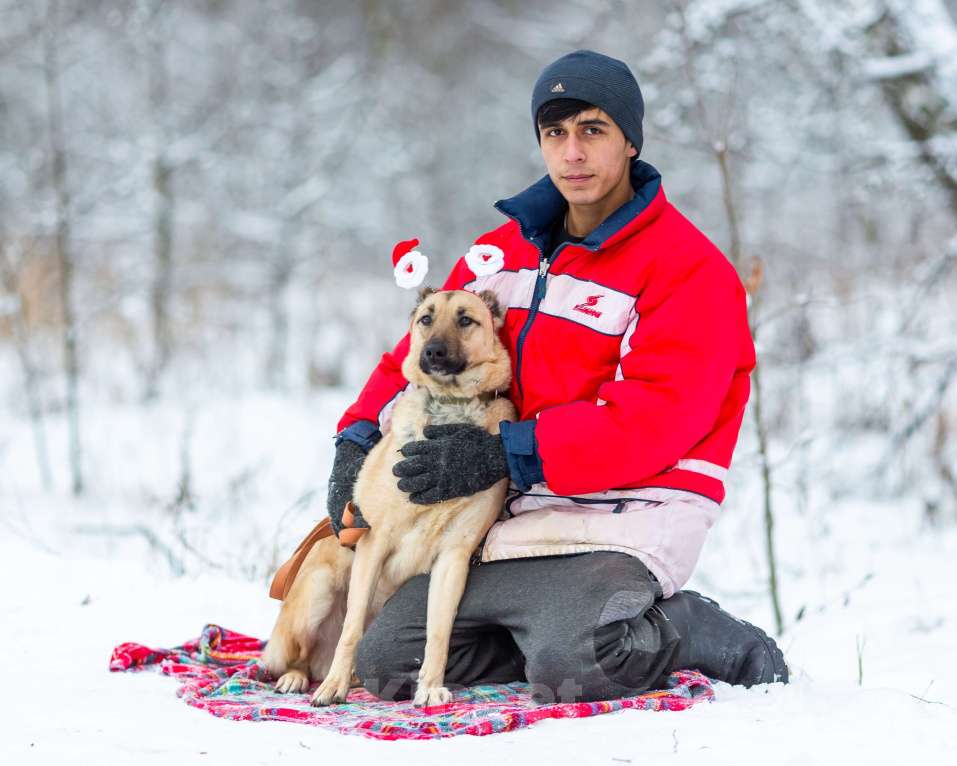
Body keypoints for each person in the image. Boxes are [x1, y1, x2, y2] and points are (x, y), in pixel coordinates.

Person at [327, 50, 788, 702]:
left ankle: (685, 629)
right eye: (554, 133)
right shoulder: (503, 252)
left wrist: (503, 453)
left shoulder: (688, 271)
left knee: (577, 659)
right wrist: (354, 438)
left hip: (632, 513)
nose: (571, 152)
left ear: (630, 140)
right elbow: (418, 349)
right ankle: (538, 637)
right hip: (513, 516)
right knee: (386, 666)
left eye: (592, 130)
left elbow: (653, 420)